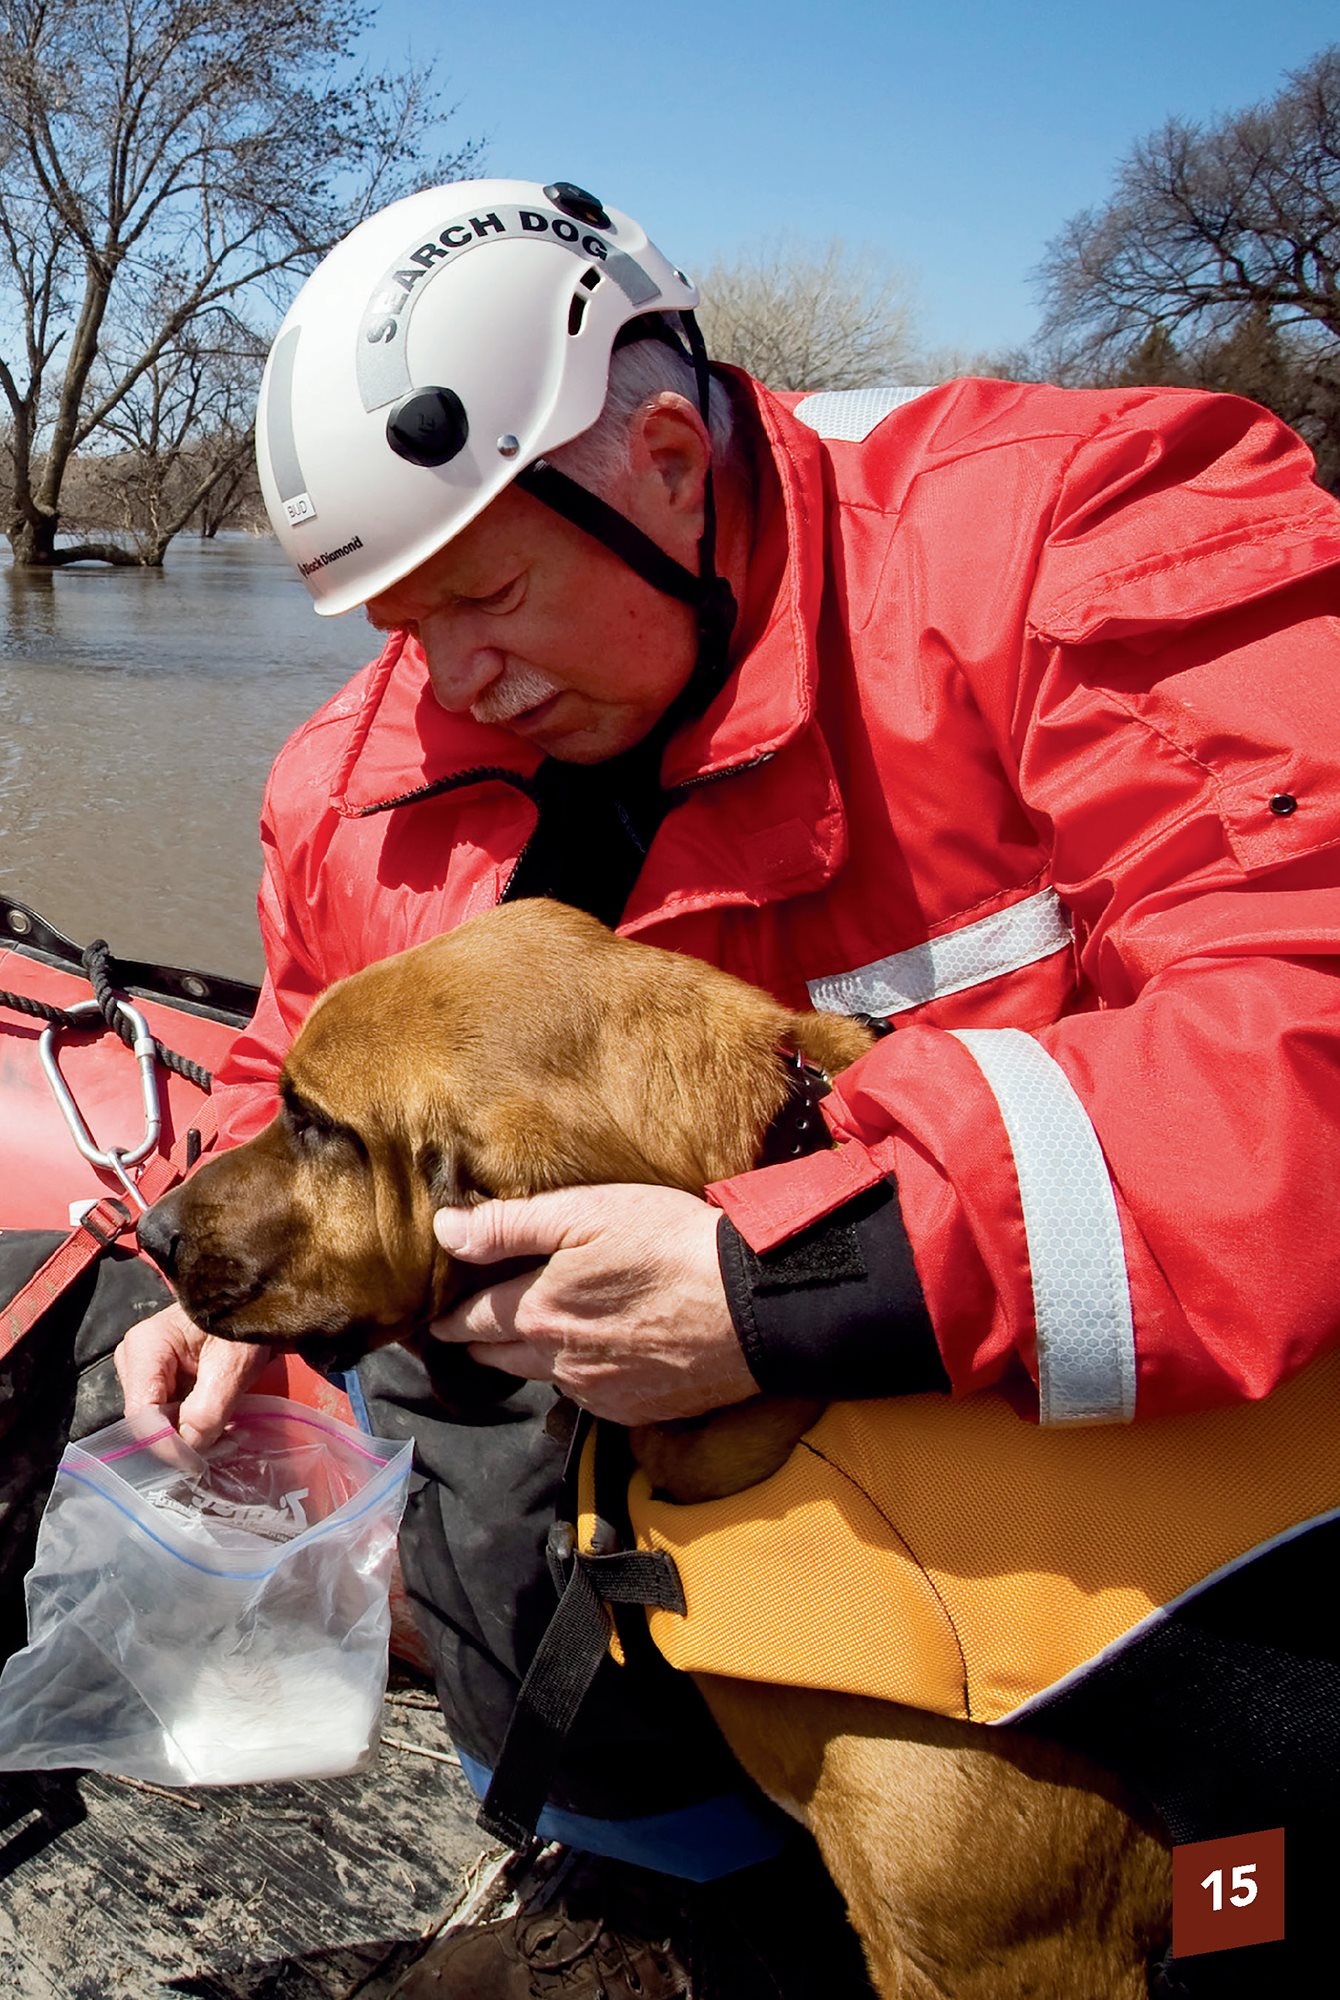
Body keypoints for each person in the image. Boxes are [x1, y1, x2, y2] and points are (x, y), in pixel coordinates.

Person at [116, 176, 1340, 1995]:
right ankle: (651, 1887)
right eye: (389, 618)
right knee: (460, 1433)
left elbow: (1297, 1027)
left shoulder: (1087, 538)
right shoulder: (362, 771)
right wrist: (245, 1292)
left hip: (1067, 1492)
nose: (447, 675)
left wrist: (771, 1285)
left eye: (484, 592)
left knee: (1222, 1891)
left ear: (668, 462)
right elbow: (292, 1048)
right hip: (688, 1563)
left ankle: (1207, 1906)